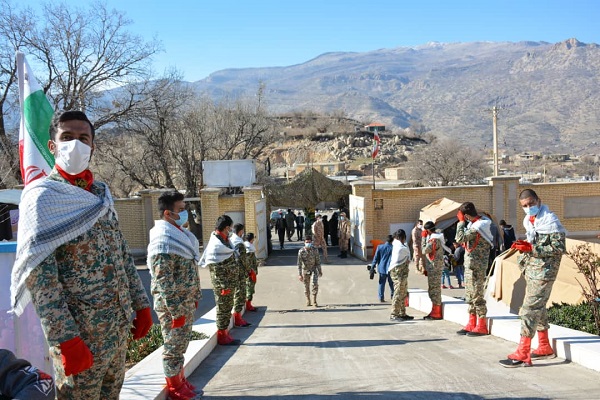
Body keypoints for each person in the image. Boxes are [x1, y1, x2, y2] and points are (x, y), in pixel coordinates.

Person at [10, 110, 152, 399]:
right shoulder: (42, 198)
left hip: (116, 330)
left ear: (92, 146)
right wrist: (65, 339)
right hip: (81, 336)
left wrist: (140, 304)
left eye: (83, 138)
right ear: (53, 146)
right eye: (67, 137)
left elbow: (122, 254)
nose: (76, 144)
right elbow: (42, 280)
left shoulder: (100, 193)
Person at [499, 189, 566, 368]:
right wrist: (524, 246)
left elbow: (559, 248)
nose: (528, 208)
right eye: (525, 206)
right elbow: (534, 242)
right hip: (532, 269)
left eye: (531, 204)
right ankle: (544, 346)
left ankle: (523, 352)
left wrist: (532, 250)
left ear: (538, 200)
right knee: (538, 307)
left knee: (529, 308)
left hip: (545, 271)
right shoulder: (530, 221)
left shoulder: (551, 221)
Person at [147, 191, 202, 400]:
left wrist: (195, 295)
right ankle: (174, 387)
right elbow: (164, 283)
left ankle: (180, 379)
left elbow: (190, 269)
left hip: (185, 302)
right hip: (173, 307)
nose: (185, 213)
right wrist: (177, 311)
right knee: (173, 345)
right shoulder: (163, 241)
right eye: (181, 210)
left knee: (181, 344)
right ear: (168, 214)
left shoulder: (179, 235)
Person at [199, 215, 241, 346]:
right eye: (230, 228)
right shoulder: (216, 244)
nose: (231, 231)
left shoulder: (224, 240)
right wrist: (223, 286)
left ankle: (225, 333)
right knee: (223, 308)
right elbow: (216, 268)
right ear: (226, 227)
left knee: (227, 308)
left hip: (230, 282)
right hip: (223, 285)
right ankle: (222, 335)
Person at [454, 202, 494, 337]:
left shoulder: (480, 225)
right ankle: (472, 322)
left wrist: (460, 222)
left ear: (465, 215)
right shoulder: (474, 224)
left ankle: (481, 324)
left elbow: (460, 238)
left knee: (477, 295)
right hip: (470, 265)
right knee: (470, 295)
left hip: (477, 265)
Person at [421, 221, 449, 320]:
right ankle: (434, 310)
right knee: (433, 289)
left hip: (434, 268)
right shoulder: (436, 238)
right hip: (434, 267)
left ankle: (436, 312)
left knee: (434, 290)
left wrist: (423, 238)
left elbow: (424, 250)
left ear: (428, 230)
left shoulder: (434, 240)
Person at [388, 230, 413, 321]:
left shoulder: (400, 245)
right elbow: (407, 255)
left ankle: (402, 313)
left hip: (402, 272)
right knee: (398, 292)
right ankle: (394, 314)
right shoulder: (399, 247)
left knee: (403, 292)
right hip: (398, 272)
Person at [230, 223, 251, 328]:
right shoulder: (239, 243)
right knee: (240, 293)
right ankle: (238, 317)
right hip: (240, 272)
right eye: (242, 231)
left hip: (232, 271)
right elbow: (244, 259)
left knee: (236, 293)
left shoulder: (230, 241)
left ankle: (238, 316)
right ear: (240, 231)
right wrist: (250, 270)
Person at [297, 235, 323, 307]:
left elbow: (318, 261)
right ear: (304, 243)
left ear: (311, 242)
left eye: (309, 242)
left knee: (314, 284)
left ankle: (314, 300)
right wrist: (300, 274)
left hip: (314, 269)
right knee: (306, 286)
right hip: (305, 270)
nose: (308, 243)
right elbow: (299, 264)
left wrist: (320, 271)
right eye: (306, 242)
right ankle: (308, 300)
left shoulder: (315, 250)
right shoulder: (301, 251)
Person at [371, 235, 394, 302]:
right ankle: (393, 296)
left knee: (381, 283)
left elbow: (375, 258)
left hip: (382, 268)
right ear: (392, 241)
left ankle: (381, 297)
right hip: (391, 268)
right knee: (391, 283)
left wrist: (373, 266)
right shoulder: (393, 248)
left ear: (386, 240)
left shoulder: (380, 247)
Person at [243, 233, 259, 312]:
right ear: (251, 239)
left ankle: (248, 304)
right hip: (250, 272)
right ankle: (248, 305)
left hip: (251, 271)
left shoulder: (248, 247)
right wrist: (251, 271)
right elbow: (248, 262)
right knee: (249, 288)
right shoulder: (248, 249)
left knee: (249, 287)